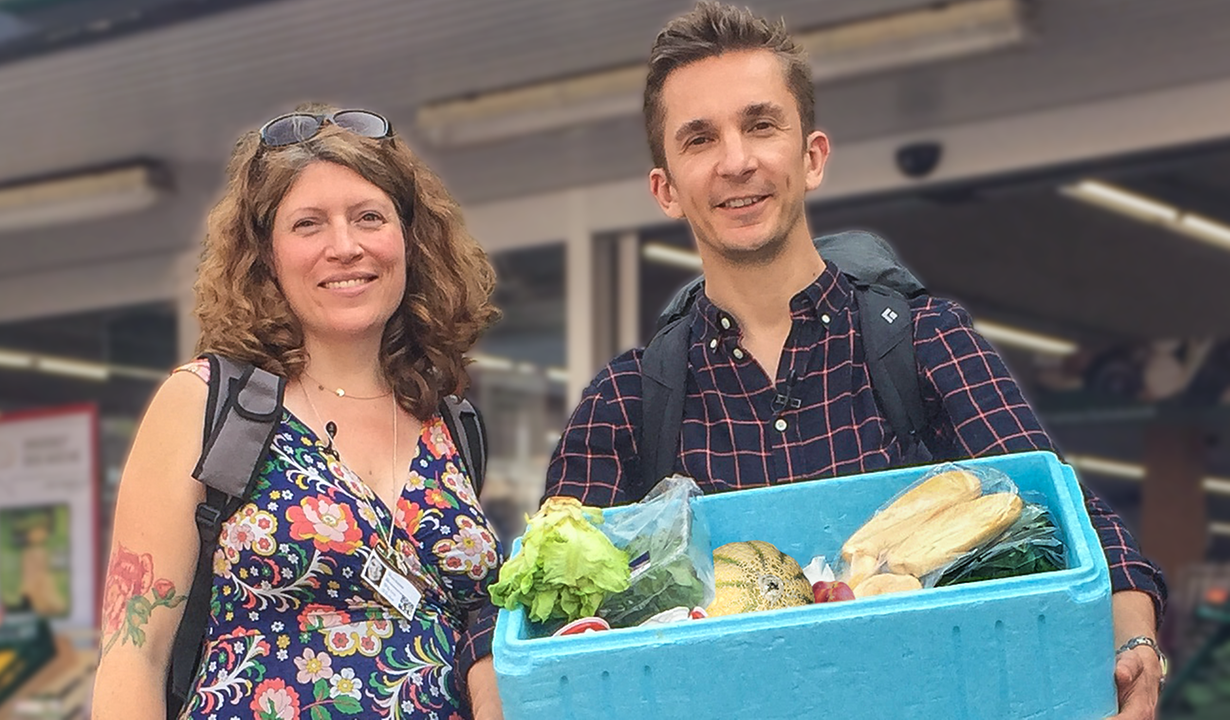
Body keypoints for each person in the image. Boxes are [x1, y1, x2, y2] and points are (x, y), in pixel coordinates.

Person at [462, 4, 1167, 719]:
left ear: (812, 156)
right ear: (665, 188)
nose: (736, 160)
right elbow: (525, 600)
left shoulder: (922, 341)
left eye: (760, 125)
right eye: (700, 138)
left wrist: (1133, 647)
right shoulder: (630, 401)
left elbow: (1069, 518)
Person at [91, 104, 502, 720]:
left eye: (369, 218)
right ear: (267, 255)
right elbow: (134, 654)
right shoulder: (206, 402)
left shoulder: (452, 425)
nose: (345, 247)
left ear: (409, 240)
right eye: (308, 224)